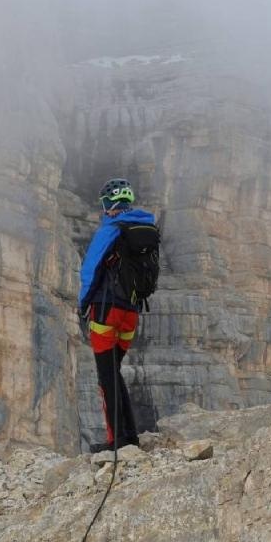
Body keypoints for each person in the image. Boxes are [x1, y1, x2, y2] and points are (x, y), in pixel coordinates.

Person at [77, 177, 158, 453]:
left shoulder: (111, 228)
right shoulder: (145, 227)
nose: (103, 210)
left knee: (106, 377)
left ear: (110, 204)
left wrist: (82, 303)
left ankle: (116, 443)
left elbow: (90, 270)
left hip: (106, 311)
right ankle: (129, 437)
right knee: (114, 372)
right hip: (131, 315)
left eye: (104, 204)